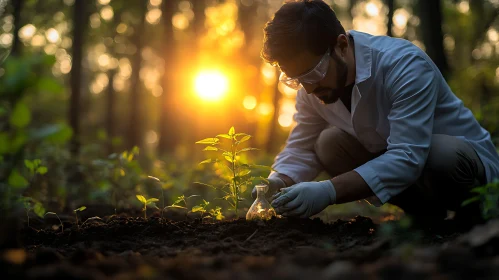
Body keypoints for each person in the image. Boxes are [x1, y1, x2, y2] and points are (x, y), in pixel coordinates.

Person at [252, 0, 499, 227]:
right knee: (328, 143)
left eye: (312, 74)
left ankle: (476, 215)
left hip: (466, 172)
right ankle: (426, 216)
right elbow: (302, 146)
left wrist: (328, 191)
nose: (307, 88)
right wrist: (278, 181)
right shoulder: (312, 86)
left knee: (441, 155)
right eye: (295, 80)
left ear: (340, 45)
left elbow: (407, 155)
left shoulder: (404, 65)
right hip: (417, 177)